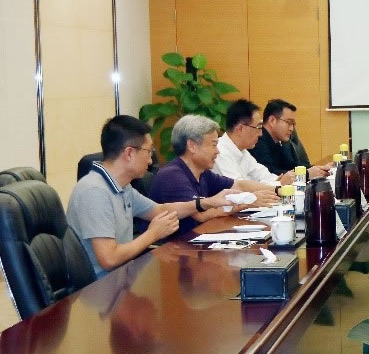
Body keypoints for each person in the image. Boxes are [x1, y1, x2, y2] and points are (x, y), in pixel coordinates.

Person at [66, 115, 237, 278]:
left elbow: (160, 210)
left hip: (122, 278)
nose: (150, 161)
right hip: (100, 289)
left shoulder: (123, 187)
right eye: (148, 152)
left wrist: (205, 203)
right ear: (129, 153)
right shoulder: (95, 192)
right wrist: (153, 234)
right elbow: (109, 259)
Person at [149, 115, 279, 235]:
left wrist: (279, 190)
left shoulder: (203, 173)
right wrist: (248, 201)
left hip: (197, 239)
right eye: (213, 145)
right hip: (172, 247)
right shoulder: (172, 176)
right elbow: (201, 215)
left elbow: (238, 185)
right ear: (192, 146)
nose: (217, 151)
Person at [215, 99, 295, 185]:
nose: (261, 134)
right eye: (258, 128)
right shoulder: (220, 152)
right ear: (240, 129)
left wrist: (278, 181)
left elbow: (263, 174)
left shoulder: (242, 151)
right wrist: (279, 184)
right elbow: (239, 188)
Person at [249, 99, 332, 177]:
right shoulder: (257, 141)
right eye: (289, 122)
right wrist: (307, 174)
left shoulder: (277, 141)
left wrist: (318, 169)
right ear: (272, 121)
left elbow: (290, 164)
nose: (291, 129)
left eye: (293, 124)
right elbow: (270, 174)